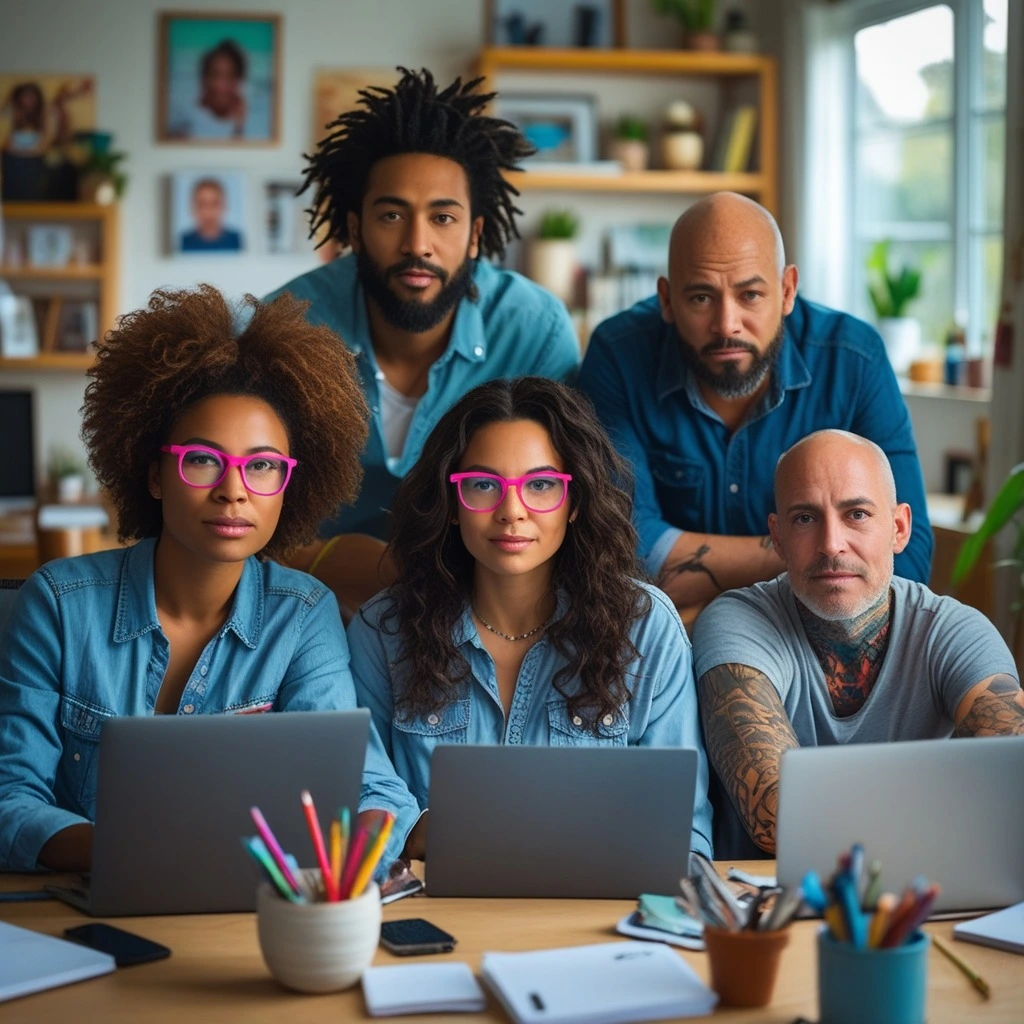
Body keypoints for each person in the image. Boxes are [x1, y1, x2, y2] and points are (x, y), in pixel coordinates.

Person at [0, 286, 420, 873]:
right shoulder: (59, 605)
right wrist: (136, 857)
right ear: (154, 474)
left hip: (250, 914)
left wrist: (354, 861)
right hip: (91, 915)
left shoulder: (303, 615)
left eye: (263, 465)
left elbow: (374, 793)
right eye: (202, 459)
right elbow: (10, 800)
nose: (233, 489)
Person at [347, 377, 714, 861]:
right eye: (483, 485)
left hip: (590, 919)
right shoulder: (384, 631)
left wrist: (473, 836)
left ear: (576, 502)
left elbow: (684, 837)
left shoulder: (645, 628)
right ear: (452, 502)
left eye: (541, 485)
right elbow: (362, 804)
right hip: (436, 915)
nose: (512, 511)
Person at [265, 68, 580, 617]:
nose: (418, 244)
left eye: (442, 217)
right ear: (356, 229)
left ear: (476, 234)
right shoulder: (288, 327)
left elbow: (562, 499)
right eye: (392, 215)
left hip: (482, 608)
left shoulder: (534, 331)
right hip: (305, 604)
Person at [577, 192, 932, 628]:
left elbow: (907, 557)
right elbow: (616, 554)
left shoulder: (853, 360)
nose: (727, 324)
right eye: (701, 298)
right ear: (667, 300)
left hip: (798, 645)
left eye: (750, 295)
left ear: (786, 291)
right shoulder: (618, 356)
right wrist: (818, 559)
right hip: (669, 653)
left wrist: (706, 605)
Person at [694, 429, 1023, 857]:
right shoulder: (736, 622)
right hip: (766, 907)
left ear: (899, 528)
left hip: (926, 900)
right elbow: (776, 816)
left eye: (857, 515)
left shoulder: (956, 633)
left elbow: (1010, 786)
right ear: (778, 537)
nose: (831, 545)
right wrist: (949, 807)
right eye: (805, 518)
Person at [168, 39, 251, 140]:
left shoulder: (252, 120)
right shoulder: (181, 121)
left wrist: (239, 128)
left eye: (229, 76)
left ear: (240, 81)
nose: (220, 85)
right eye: (214, 74)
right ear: (203, 78)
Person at [180, 177, 243, 253]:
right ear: (193, 208)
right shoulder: (181, 243)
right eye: (202, 204)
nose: (208, 211)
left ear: (224, 206)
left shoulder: (239, 241)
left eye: (214, 203)